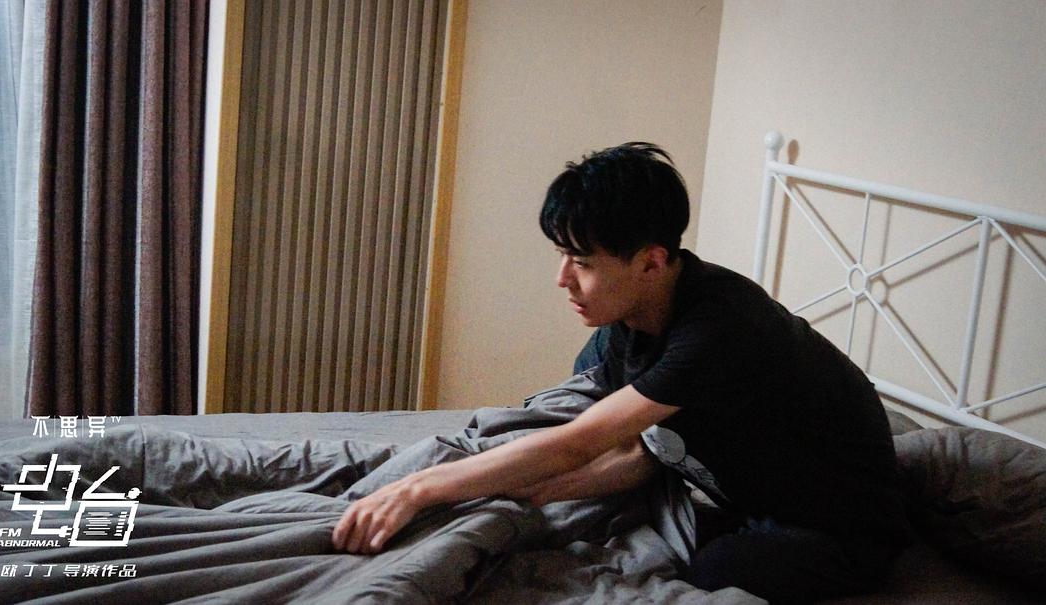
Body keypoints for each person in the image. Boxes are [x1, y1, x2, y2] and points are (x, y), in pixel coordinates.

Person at [332, 142, 910, 602]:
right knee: (574, 526)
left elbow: (577, 444)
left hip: (838, 529)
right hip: (745, 498)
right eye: (562, 256)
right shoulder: (625, 325)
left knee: (701, 576)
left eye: (582, 262)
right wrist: (530, 496)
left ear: (652, 262)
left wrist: (418, 489)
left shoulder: (722, 328)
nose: (563, 279)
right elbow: (640, 451)